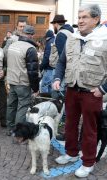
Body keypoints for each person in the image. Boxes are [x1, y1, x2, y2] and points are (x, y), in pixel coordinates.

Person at [53, 4, 107, 178]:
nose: (80, 21)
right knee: (69, 124)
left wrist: (103, 89)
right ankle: (71, 153)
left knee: (90, 129)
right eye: (79, 17)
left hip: (92, 92)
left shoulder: (105, 39)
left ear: (96, 19)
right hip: (71, 89)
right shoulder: (73, 38)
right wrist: (57, 78)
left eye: (84, 17)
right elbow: (61, 62)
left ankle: (88, 162)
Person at [6, 25, 39, 136]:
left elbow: (7, 61)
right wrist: (35, 88)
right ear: (31, 35)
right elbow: (32, 71)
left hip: (11, 80)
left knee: (11, 105)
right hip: (22, 82)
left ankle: (10, 129)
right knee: (22, 107)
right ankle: (18, 133)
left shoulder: (12, 45)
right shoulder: (30, 49)